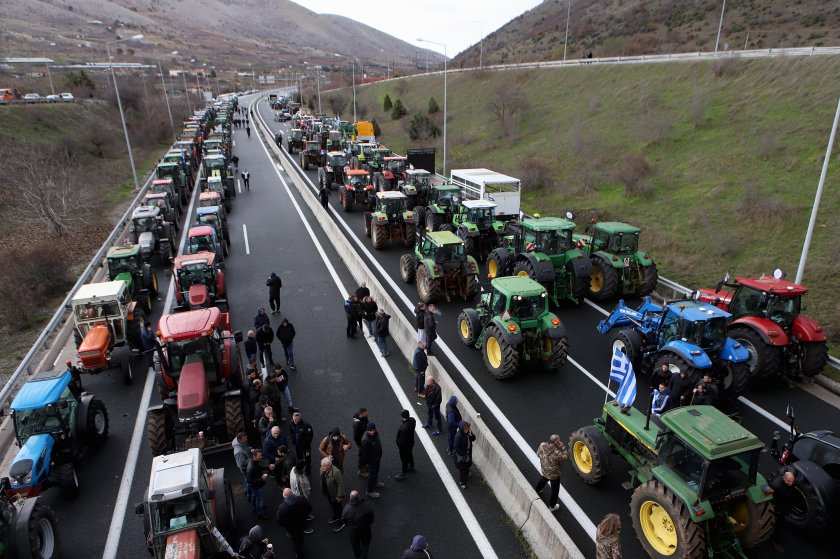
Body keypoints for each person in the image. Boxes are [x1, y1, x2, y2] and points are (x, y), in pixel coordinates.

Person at [276, 487, 314, 558]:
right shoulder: (301, 499)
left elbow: (280, 522)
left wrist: (286, 525)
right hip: (302, 524)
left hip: (291, 529)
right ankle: (301, 544)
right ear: (292, 493)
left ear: (284, 497)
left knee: (295, 541)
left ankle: (299, 554)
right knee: (301, 536)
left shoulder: (282, 508)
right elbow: (309, 508)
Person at [535, 434, 569, 511]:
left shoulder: (542, 445)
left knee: (544, 479)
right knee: (555, 490)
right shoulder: (556, 453)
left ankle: (538, 490)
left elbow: (538, 454)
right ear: (556, 442)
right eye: (559, 440)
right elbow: (566, 457)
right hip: (554, 474)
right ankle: (552, 506)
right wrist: (563, 447)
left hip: (544, 469)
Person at [341, 490, 375, 559]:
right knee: (365, 543)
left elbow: (343, 520)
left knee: (355, 545)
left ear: (350, 498)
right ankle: (364, 556)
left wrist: (349, 526)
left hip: (354, 532)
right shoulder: (366, 506)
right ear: (359, 497)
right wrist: (367, 524)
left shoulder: (347, 509)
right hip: (365, 529)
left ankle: (358, 556)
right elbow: (372, 518)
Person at [770, 469, 797, 552]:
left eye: (792, 481)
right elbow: (773, 500)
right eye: (789, 481)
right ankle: (776, 541)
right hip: (779, 507)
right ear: (784, 478)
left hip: (786, 504)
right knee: (778, 525)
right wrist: (777, 510)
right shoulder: (775, 486)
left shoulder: (789, 481)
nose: (791, 483)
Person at [320, 458, 346, 529]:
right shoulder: (324, 469)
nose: (322, 467)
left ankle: (341, 521)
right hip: (328, 492)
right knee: (332, 505)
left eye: (323, 466)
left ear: (329, 465)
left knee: (338, 507)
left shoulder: (336, 472)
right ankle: (335, 516)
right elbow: (322, 477)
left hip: (335, 494)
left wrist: (339, 496)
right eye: (321, 465)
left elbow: (340, 484)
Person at [360, 422, 384, 498]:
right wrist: (369, 463)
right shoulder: (365, 440)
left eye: (373, 430)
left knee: (376, 472)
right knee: (371, 475)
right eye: (370, 430)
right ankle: (369, 491)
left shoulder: (375, 433)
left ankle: (375, 482)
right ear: (367, 430)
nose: (372, 431)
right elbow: (364, 455)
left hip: (377, 458)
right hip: (372, 462)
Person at [246, 449, 270, 519]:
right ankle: (260, 514)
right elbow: (249, 481)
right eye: (259, 456)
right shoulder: (251, 468)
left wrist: (267, 467)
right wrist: (261, 479)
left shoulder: (255, 462)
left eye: (261, 455)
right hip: (255, 486)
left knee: (254, 496)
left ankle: (254, 508)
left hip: (255, 486)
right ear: (254, 456)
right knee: (260, 499)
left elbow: (259, 467)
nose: (261, 456)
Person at [453, 421, 476, 489]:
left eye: (468, 428)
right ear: (462, 429)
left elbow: (473, 439)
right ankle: (462, 482)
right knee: (462, 469)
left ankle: (467, 473)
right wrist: (463, 454)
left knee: (467, 464)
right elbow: (457, 448)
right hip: (462, 456)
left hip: (467, 454)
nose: (467, 430)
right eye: (466, 429)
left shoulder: (468, 433)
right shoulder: (458, 436)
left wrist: (471, 434)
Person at [395, 410, 416, 480]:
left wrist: (398, 443)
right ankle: (412, 466)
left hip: (404, 446)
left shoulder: (404, 428)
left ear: (402, 417)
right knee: (410, 453)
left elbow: (401, 441)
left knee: (404, 459)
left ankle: (404, 473)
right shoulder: (413, 420)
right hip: (411, 442)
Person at [232, 431, 253, 501]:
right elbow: (242, 464)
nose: (246, 440)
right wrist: (251, 459)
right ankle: (249, 495)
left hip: (247, 466)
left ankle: (246, 491)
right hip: (245, 468)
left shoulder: (241, 443)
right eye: (244, 439)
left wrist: (250, 449)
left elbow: (246, 447)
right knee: (249, 481)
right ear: (239, 440)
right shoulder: (238, 452)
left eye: (246, 438)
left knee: (247, 480)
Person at [352, 408, 370, 477]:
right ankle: (361, 470)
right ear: (360, 414)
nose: (367, 414)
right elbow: (356, 437)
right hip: (361, 442)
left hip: (364, 440)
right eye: (365, 413)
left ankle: (364, 466)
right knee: (361, 456)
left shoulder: (363, 418)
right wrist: (361, 444)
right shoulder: (357, 424)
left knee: (365, 455)